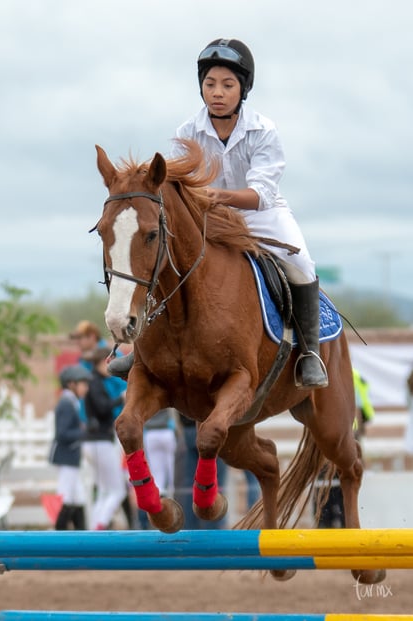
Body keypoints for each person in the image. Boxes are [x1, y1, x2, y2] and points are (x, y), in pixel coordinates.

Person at [110, 38, 327, 389]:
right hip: (206, 217)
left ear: (243, 88)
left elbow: (260, 194)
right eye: (210, 84)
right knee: (164, 258)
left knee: (303, 264)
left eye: (228, 85)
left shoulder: (263, 130)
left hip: (261, 213)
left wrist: (219, 195)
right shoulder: (187, 131)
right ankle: (142, 349)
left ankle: (309, 354)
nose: (217, 93)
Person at [313, 368, 375, 528]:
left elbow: (356, 413)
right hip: (343, 441)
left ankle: (330, 534)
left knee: (329, 500)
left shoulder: (328, 371)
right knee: (338, 499)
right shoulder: (353, 374)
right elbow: (359, 414)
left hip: (334, 443)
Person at [83, 347, 128, 530]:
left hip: (95, 442)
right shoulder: (95, 382)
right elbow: (102, 408)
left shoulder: (94, 381)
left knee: (103, 491)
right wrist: (120, 399)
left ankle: (95, 529)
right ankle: (99, 527)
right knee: (118, 491)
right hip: (100, 441)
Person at [49, 364, 92, 530]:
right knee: (67, 496)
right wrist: (83, 432)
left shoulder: (71, 402)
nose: (86, 388)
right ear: (71, 384)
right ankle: (60, 535)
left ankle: (81, 537)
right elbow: (62, 433)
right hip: (67, 457)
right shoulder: (66, 403)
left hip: (71, 457)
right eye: (83, 384)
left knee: (77, 497)